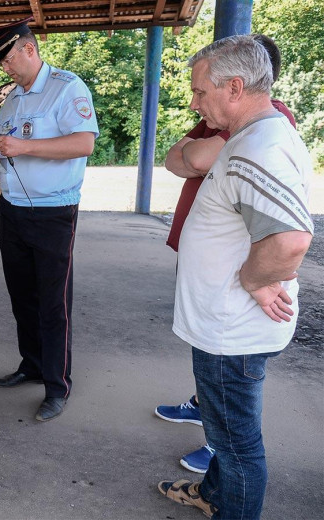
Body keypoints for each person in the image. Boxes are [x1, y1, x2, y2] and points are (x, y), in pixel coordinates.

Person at [157, 35, 314, 519]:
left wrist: (255, 280)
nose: (194, 102)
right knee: (226, 431)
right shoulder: (252, 135)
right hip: (226, 326)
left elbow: (290, 240)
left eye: (200, 91)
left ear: (235, 87)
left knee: (237, 445)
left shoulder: (258, 147)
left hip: (232, 329)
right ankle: (214, 495)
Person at [0, 18, 98, 422]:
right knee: (23, 297)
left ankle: (57, 386)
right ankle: (32, 365)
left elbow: (84, 143)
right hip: (14, 210)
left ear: (29, 49)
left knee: (54, 304)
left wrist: (25, 146)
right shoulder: (13, 99)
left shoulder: (67, 88)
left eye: (8, 60)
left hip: (53, 212)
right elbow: (6, 154)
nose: (5, 68)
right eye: (0, 63)